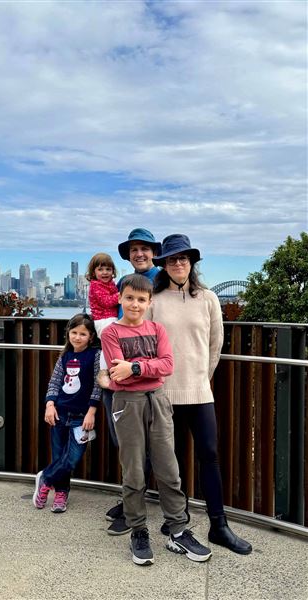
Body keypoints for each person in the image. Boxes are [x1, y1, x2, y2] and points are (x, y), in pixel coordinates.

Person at [146, 233, 252, 555]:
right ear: (164, 264)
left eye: (184, 258)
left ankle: (218, 526)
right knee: (170, 461)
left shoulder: (208, 299)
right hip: (164, 394)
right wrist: (162, 384)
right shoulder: (155, 300)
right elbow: (148, 346)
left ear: (191, 263)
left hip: (199, 392)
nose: (178, 263)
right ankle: (178, 518)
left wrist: (199, 379)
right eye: (172, 259)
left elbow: (215, 345)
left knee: (210, 456)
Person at [101, 274, 212, 566]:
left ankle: (178, 530)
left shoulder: (158, 329)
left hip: (159, 400)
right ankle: (138, 531)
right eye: (129, 298)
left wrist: (134, 366)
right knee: (134, 471)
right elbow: (116, 374)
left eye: (141, 299)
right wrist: (145, 370)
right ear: (120, 299)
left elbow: (167, 365)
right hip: (128, 405)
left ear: (150, 302)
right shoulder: (111, 333)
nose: (135, 304)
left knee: (168, 468)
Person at [104, 227, 162, 535]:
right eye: (134, 249)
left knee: (142, 448)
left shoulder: (161, 280)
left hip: (145, 379)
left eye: (145, 248)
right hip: (116, 376)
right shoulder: (125, 285)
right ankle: (130, 499)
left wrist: (135, 368)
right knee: (125, 444)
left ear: (154, 251)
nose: (139, 253)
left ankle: (133, 510)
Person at [33, 313, 101, 514]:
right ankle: (60, 493)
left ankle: (45, 478)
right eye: (74, 332)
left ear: (90, 336)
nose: (77, 337)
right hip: (60, 413)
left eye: (83, 334)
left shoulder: (95, 355)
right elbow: (54, 382)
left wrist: (92, 412)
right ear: (68, 333)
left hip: (81, 416)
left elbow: (98, 385)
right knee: (59, 454)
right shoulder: (65, 356)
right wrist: (50, 405)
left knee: (71, 458)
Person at [86, 252, 119, 381]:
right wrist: (121, 295)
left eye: (108, 269)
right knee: (107, 348)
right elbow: (106, 301)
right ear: (93, 272)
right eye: (100, 269)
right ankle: (104, 372)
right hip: (103, 320)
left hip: (110, 318)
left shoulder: (110, 283)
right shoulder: (96, 285)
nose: (105, 272)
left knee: (112, 346)